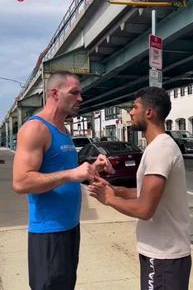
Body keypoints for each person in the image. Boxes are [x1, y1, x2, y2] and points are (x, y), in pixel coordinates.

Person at [13, 71, 112, 290]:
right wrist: (71, 174)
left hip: (70, 228)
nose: (80, 98)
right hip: (49, 234)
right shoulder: (35, 129)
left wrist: (93, 169)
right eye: (74, 92)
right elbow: (21, 182)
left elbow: (66, 173)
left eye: (80, 93)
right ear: (54, 93)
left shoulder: (64, 130)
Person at [88, 87, 192, 290]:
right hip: (160, 255)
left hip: (163, 255)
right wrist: (114, 189)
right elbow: (144, 193)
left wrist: (109, 199)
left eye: (135, 107)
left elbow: (145, 209)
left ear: (149, 112)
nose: (131, 112)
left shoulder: (160, 150)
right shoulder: (156, 147)